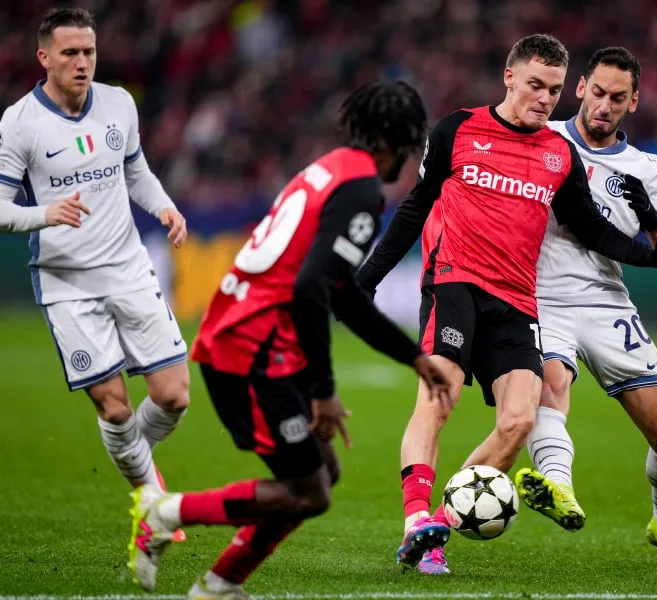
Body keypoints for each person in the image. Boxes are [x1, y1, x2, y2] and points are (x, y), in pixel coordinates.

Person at [356, 34, 657, 575]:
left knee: (518, 422)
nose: (545, 99)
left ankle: (439, 524)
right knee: (437, 399)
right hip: (455, 284)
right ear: (509, 77)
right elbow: (416, 207)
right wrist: (368, 279)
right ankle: (416, 519)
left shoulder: (559, 154)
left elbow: (593, 230)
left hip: (517, 301)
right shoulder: (457, 129)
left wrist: (656, 254)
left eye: (554, 90)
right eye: (535, 85)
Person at [126, 81, 454, 598]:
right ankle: (167, 512)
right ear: (397, 141)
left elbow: (339, 291)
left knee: (322, 473)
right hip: (251, 350)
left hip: (258, 337)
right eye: (412, 148)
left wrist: (413, 356)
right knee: (310, 492)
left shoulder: (331, 167)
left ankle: (220, 583)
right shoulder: (362, 191)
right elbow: (310, 291)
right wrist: (322, 389)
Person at [513, 46, 657, 570]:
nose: (604, 105)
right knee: (551, 384)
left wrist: (650, 214)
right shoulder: (544, 139)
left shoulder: (644, 167)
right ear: (580, 88)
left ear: (633, 102)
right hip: (540, 295)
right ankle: (557, 487)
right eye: (598, 93)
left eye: (618, 98)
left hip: (608, 302)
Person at [0, 8, 190, 503]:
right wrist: (44, 214)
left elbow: (135, 172)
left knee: (173, 397)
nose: (82, 62)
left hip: (128, 268)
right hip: (67, 283)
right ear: (45, 58)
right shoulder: (20, 123)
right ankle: (150, 501)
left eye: (89, 52)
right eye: (70, 53)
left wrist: (165, 207)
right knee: (115, 410)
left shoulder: (119, 104)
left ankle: (130, 457)